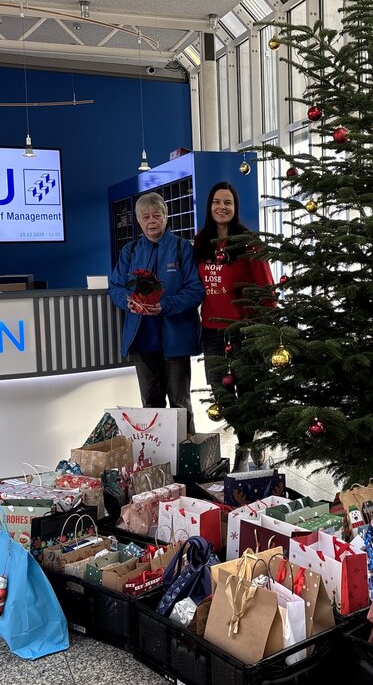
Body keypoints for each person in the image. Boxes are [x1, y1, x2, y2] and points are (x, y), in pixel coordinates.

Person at [194, 181, 274, 470]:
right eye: (217, 202)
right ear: (209, 206)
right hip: (212, 332)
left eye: (227, 202)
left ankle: (246, 448)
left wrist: (270, 328)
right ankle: (250, 442)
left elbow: (265, 285)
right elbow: (193, 287)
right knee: (222, 393)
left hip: (245, 331)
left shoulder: (249, 241)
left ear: (235, 207)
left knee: (249, 391)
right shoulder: (200, 242)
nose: (222, 207)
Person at [109, 192, 205, 434]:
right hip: (142, 340)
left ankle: (188, 464)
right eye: (145, 217)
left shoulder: (183, 249)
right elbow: (116, 287)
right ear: (138, 221)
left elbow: (196, 291)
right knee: (150, 407)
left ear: (166, 217)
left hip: (176, 340)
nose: (152, 221)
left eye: (156, 215)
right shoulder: (129, 252)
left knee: (180, 405)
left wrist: (166, 305)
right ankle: (158, 464)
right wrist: (128, 301)